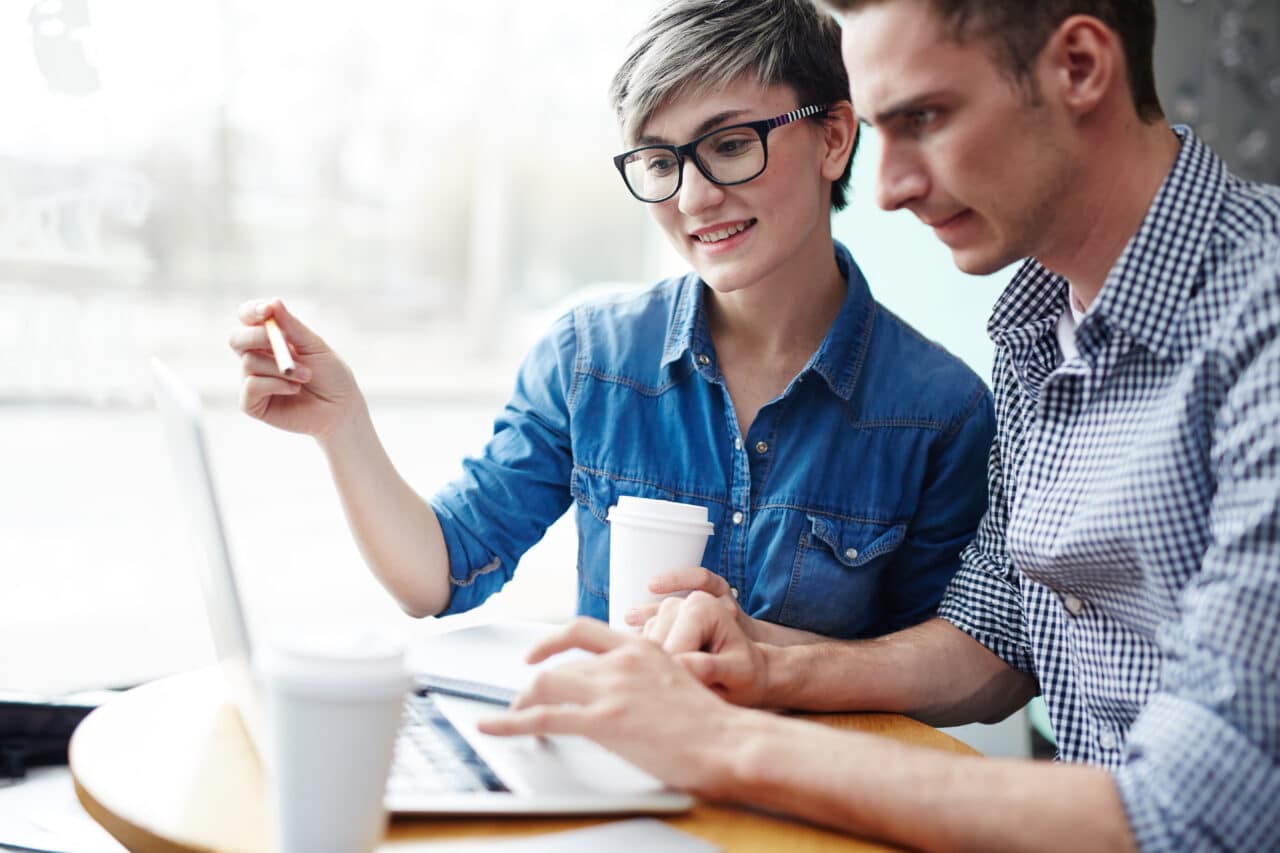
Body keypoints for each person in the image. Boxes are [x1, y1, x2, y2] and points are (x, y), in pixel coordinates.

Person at [478, 1, 1280, 850]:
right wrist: (762, 660)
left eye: (923, 119)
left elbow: (1200, 812)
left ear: (1079, 68)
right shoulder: (1038, 332)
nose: (887, 187)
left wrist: (719, 741)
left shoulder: (1260, 314)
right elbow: (993, 637)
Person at [227, 0, 994, 642]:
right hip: (618, 785)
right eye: (659, 162)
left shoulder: (939, 410)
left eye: (729, 146)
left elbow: (938, 668)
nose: (693, 198)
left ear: (834, 136)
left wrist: (758, 649)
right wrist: (342, 424)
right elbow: (440, 572)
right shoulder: (588, 358)